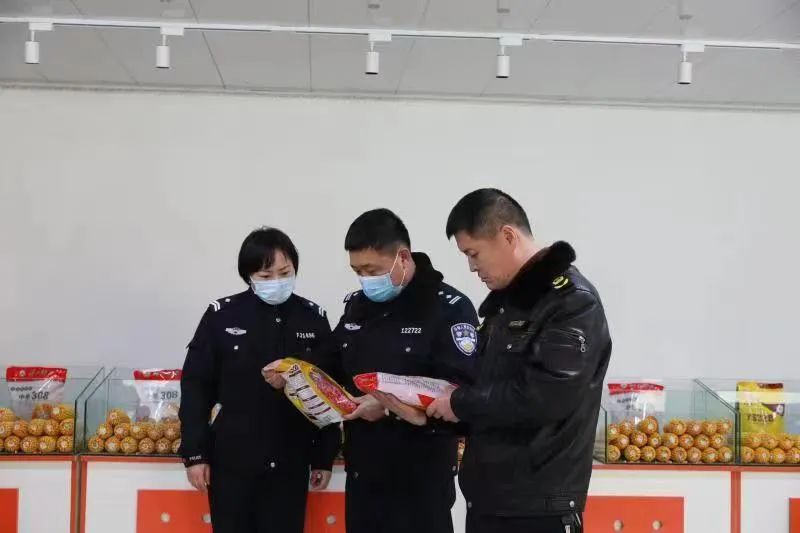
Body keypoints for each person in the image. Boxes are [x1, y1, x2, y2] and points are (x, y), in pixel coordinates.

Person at [427, 189, 612, 533]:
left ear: (508, 236)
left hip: (537, 509)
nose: (472, 267)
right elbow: (491, 398)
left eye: (473, 253)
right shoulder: (504, 306)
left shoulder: (571, 303)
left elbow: (544, 397)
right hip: (490, 503)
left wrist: (459, 403)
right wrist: (433, 411)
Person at [300, 208, 479, 533]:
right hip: (364, 473)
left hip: (420, 477)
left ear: (403, 258)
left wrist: (387, 407)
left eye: (372, 270)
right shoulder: (358, 306)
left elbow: (459, 391)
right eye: (358, 271)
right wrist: (293, 371)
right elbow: (331, 362)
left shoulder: (448, 308)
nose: (366, 280)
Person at [179, 227, 340, 533]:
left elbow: (327, 390)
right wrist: (194, 454)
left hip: (290, 459)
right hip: (233, 460)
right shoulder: (222, 316)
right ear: (249, 276)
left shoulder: (312, 317)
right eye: (266, 275)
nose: (277, 281)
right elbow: (196, 387)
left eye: (285, 272)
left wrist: (323, 456)